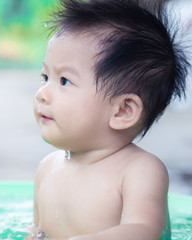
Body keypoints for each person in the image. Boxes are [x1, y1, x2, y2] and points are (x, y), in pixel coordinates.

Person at [28, 0, 190, 239]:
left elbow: (144, 231)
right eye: (45, 76)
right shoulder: (47, 167)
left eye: (64, 81)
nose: (42, 94)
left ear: (123, 111)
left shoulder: (139, 171)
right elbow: (36, 231)